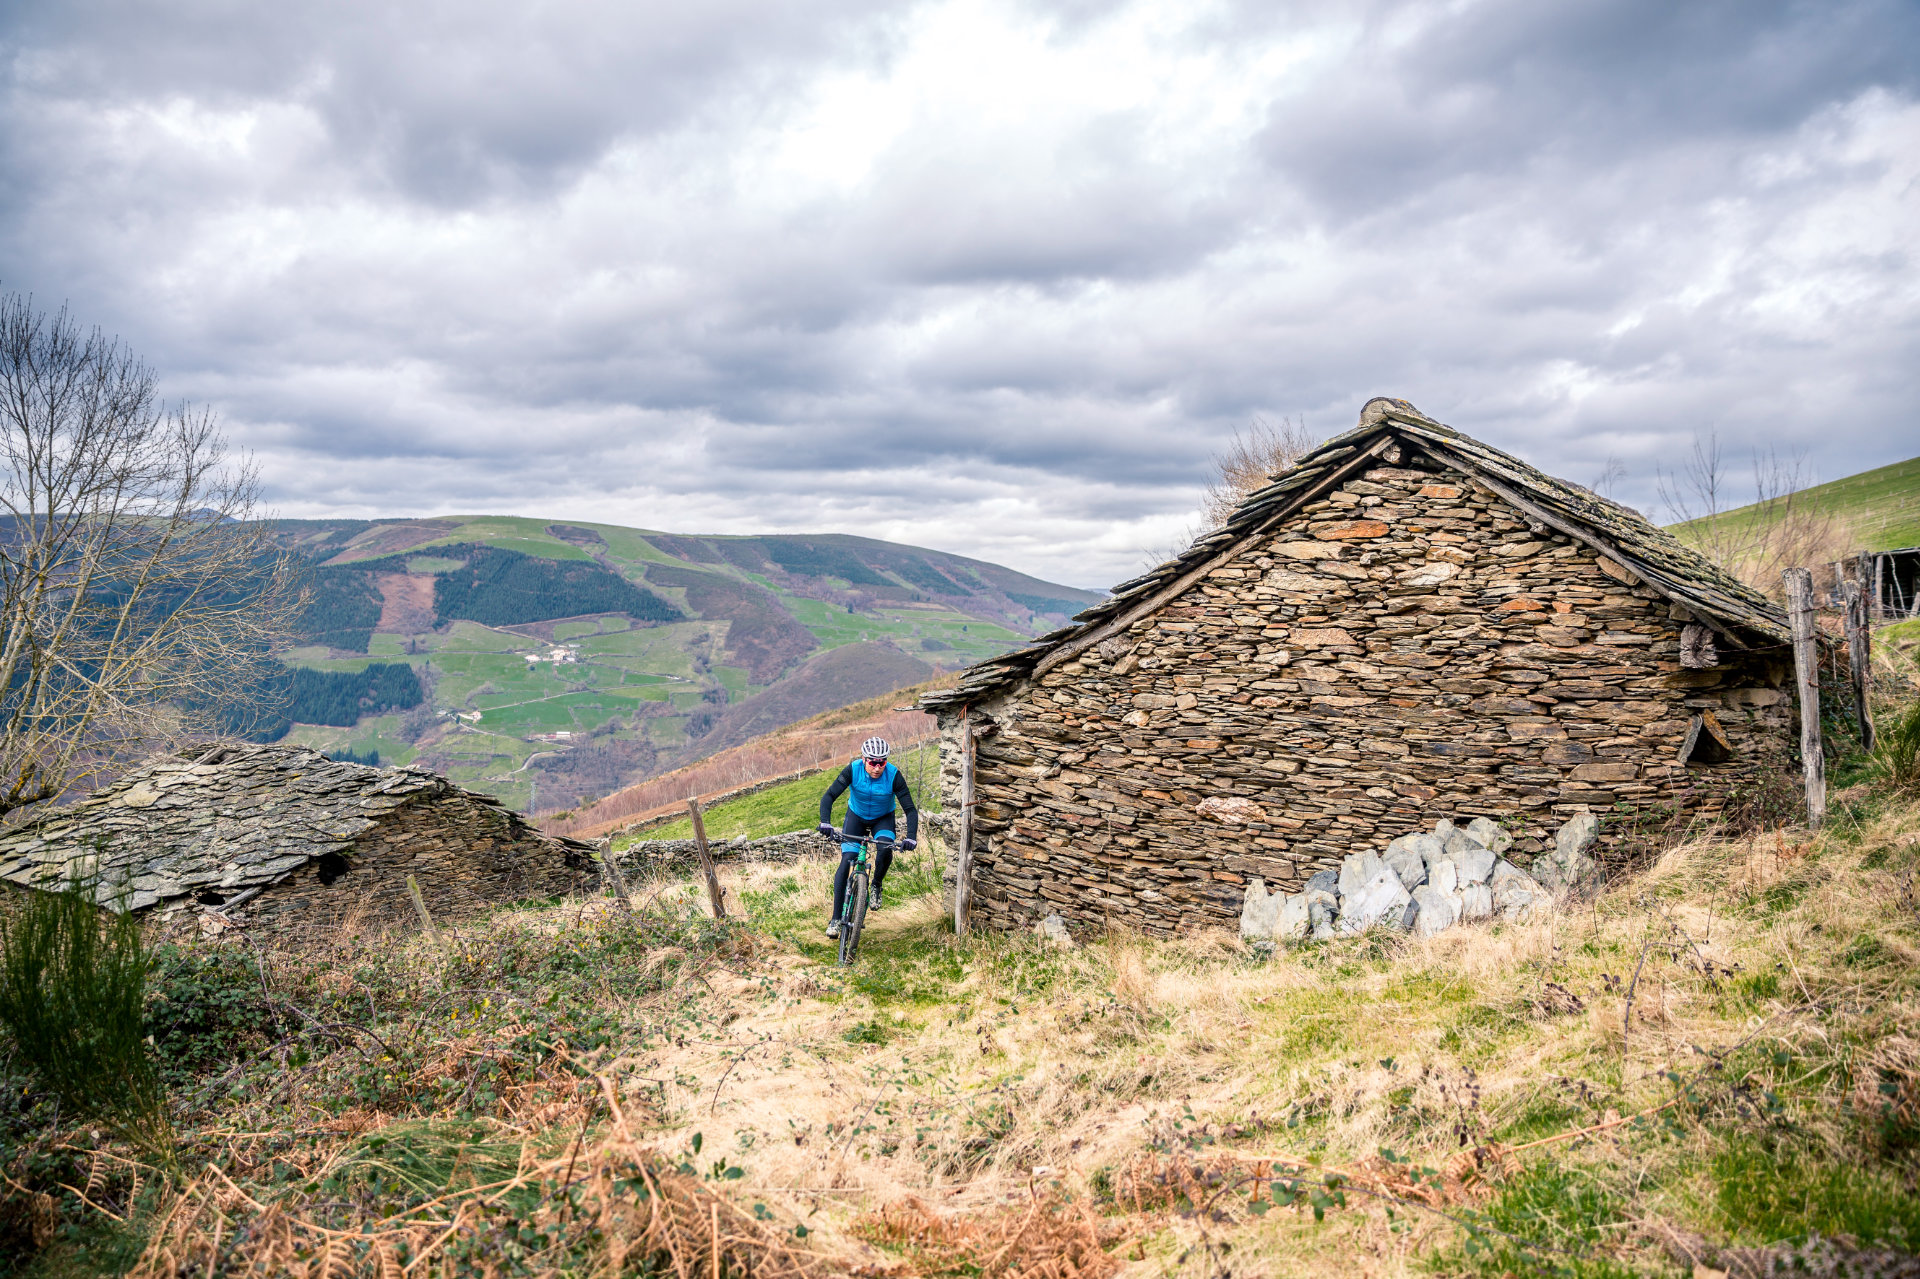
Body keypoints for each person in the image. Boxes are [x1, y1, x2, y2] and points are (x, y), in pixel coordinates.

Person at [817, 736, 918, 937]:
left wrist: (911, 837)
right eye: (872, 762)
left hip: (883, 818)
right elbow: (829, 797)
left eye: (882, 762)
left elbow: (910, 809)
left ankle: (876, 885)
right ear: (864, 759)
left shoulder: (894, 775)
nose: (877, 767)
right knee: (846, 861)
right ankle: (836, 918)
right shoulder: (853, 770)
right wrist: (825, 822)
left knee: (885, 849)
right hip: (856, 817)